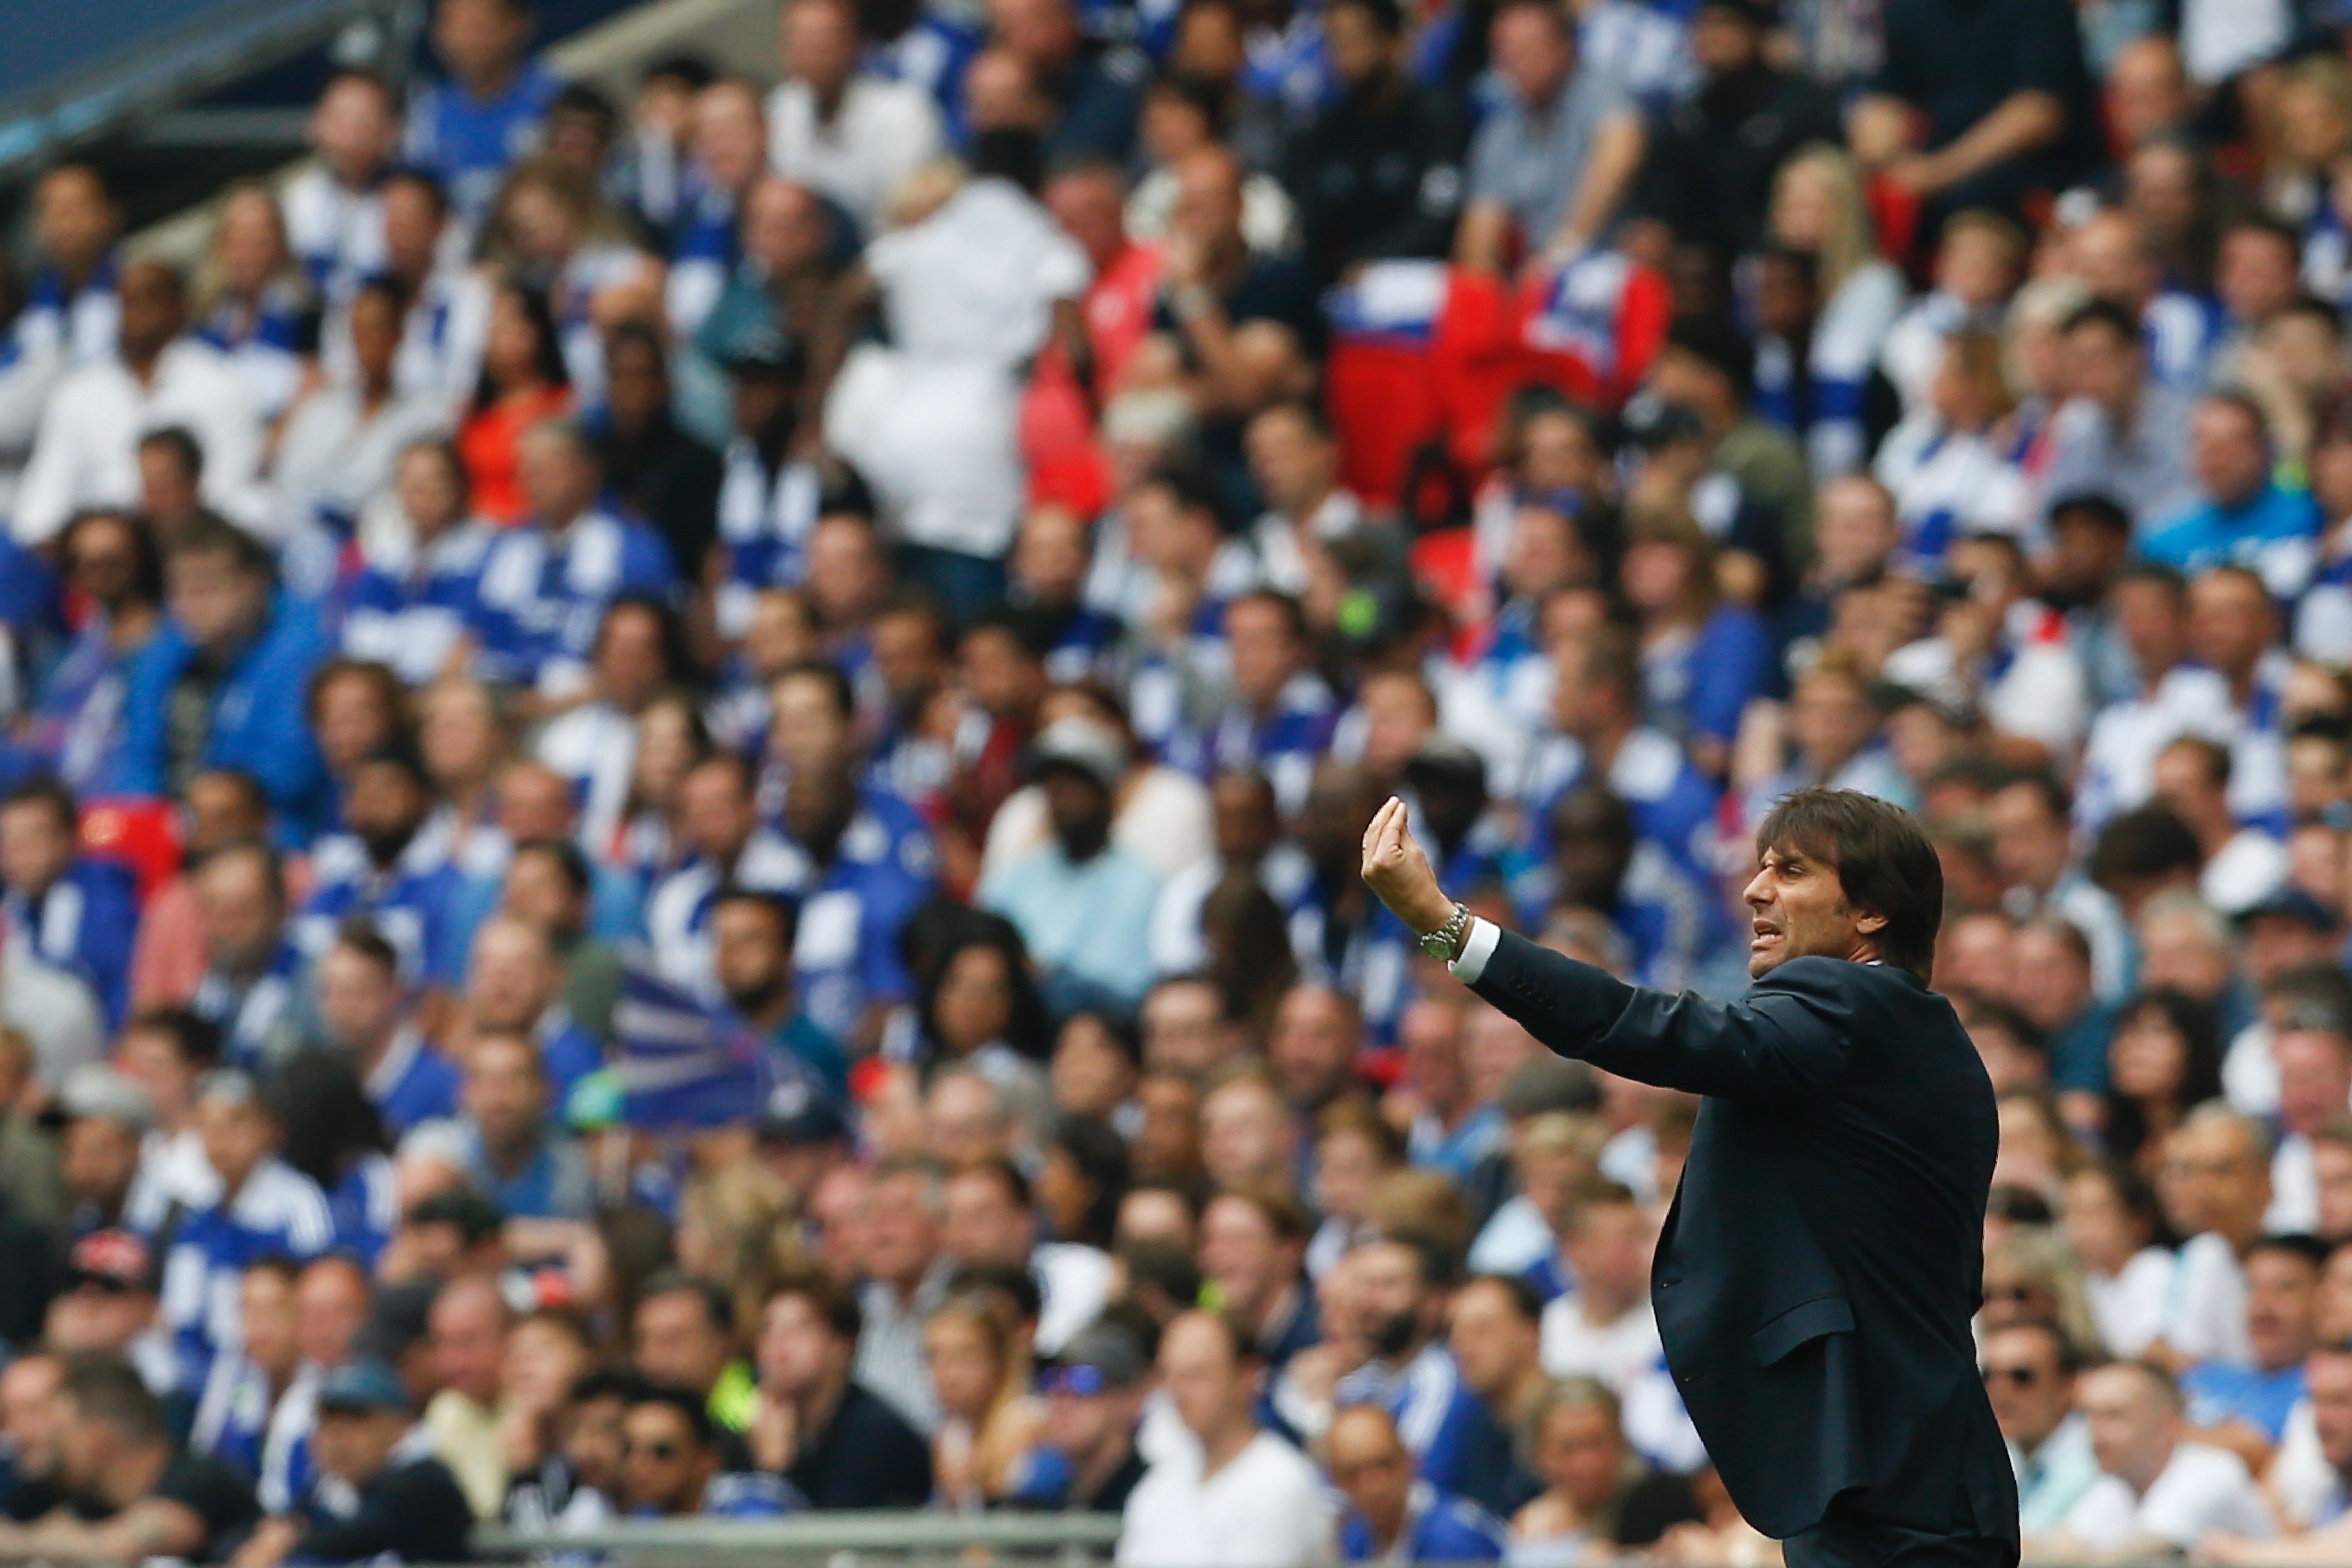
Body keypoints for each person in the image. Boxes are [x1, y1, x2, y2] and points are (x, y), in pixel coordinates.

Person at [1360, 785, 2019, 1562]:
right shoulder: (1902, 1036)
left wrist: (1448, 927)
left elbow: (1643, 1028)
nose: (1754, 888)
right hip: (1898, 1473)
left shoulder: (1851, 1004)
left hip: (1897, 1485)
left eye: (1792, 870)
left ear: (1869, 912)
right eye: (1759, 866)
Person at [1117, 1309, 1335, 1568]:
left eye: (1196, 1375)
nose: (1177, 1393)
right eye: (1169, 1375)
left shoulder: (1280, 1483)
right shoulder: (1159, 1485)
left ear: (1246, 1378)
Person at [0, 1352, 259, 1563]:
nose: (51, 1440)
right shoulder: (92, 1501)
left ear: (98, 1439)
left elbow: (117, 1548)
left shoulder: (200, 1482)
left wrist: (37, 1539)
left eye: (62, 1432)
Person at [228, 1358, 472, 1566]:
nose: (338, 1440)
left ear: (399, 1426)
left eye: (356, 1422)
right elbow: (285, 1524)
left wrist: (287, 1544)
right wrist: (267, 1541)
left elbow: (365, 1534)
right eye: (328, 1423)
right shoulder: (327, 1491)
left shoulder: (424, 1480)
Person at [2034, 1360, 2274, 1558]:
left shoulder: (2210, 1471)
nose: (2095, 1433)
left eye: (2114, 1416)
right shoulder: (2117, 1484)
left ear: (2166, 1426)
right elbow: (2057, 1550)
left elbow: (2132, 1559)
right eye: (2089, 1416)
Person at [746, 1267, 932, 1508]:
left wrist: (778, 1470)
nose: (777, 1346)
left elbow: (832, 1535)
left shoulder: (876, 1435)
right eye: (768, 1330)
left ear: (842, 1345)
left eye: (799, 1330)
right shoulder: (764, 1422)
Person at [1330, 1401, 1505, 1563]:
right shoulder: (1357, 1538)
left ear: (1409, 1460)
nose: (1373, 1486)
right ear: (1336, 1481)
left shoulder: (1456, 1539)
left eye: (1384, 1465)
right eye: (1353, 1473)